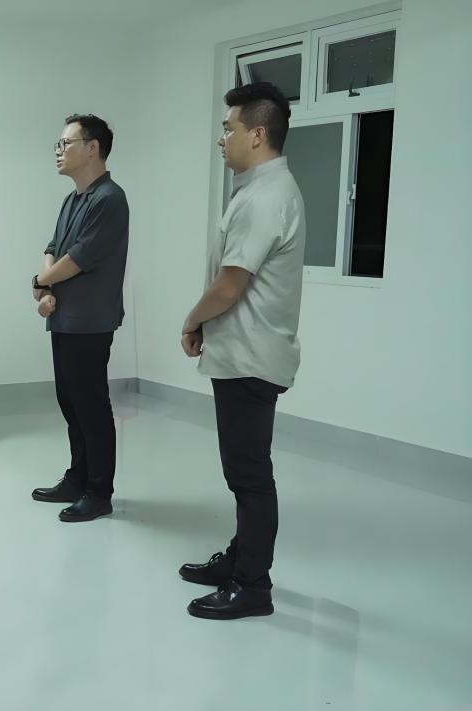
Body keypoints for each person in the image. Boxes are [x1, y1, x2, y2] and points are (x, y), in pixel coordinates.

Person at [178, 82, 305, 621]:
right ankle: (239, 559)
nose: (221, 139)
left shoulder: (265, 197)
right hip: (244, 352)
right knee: (243, 472)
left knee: (250, 476)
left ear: (257, 134)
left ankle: (252, 586)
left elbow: (230, 285)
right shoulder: (260, 190)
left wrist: (192, 320)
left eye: (228, 128)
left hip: (251, 357)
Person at [29, 114, 129, 523]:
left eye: (65, 143)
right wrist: (46, 288)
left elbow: (80, 257)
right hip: (64, 317)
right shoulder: (72, 199)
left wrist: (41, 281)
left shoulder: (110, 199)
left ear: (92, 148)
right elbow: (54, 248)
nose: (59, 150)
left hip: (90, 320)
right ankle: (77, 478)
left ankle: (99, 492)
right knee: (70, 402)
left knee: (91, 406)